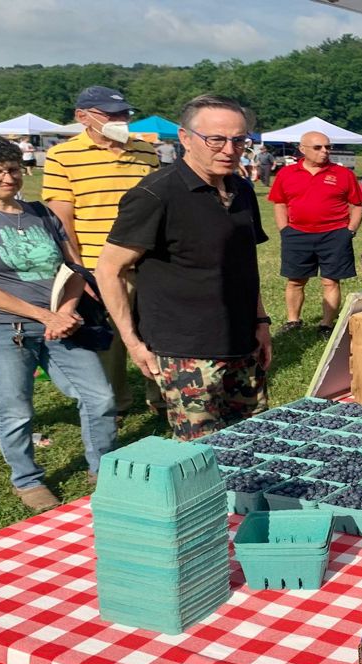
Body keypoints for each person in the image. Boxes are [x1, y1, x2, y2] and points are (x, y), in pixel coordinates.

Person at [0, 132, 116, 512]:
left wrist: (66, 312)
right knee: (15, 408)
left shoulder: (43, 213)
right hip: (1, 328)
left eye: (15, 169)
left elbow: (73, 269)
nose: (8, 178)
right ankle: (26, 479)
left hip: (63, 324)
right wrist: (43, 315)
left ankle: (103, 468)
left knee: (99, 397)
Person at [97, 95, 272, 441]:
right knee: (202, 452)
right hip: (186, 350)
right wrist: (133, 342)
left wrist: (261, 322)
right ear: (185, 137)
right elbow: (109, 270)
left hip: (242, 341)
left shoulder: (242, 190)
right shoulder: (155, 194)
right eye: (216, 140)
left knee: (255, 440)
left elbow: (244, 266)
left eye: (239, 140)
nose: (229, 149)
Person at [42, 85, 162, 423]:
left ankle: (163, 398)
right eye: (111, 115)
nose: (121, 121)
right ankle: (116, 406)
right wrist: (79, 272)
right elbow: (62, 219)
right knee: (111, 343)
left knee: (156, 332)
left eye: (124, 114)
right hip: (100, 265)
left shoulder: (145, 151)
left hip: (150, 261)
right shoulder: (63, 156)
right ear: (83, 117)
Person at [268, 131, 362, 334]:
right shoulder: (287, 173)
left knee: (330, 280)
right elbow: (279, 203)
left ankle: (327, 324)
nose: (325, 151)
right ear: (302, 149)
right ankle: (293, 321)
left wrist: (350, 230)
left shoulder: (343, 174)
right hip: (296, 234)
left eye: (327, 147)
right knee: (295, 280)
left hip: (334, 234)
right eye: (318, 147)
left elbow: (357, 204)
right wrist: (284, 229)